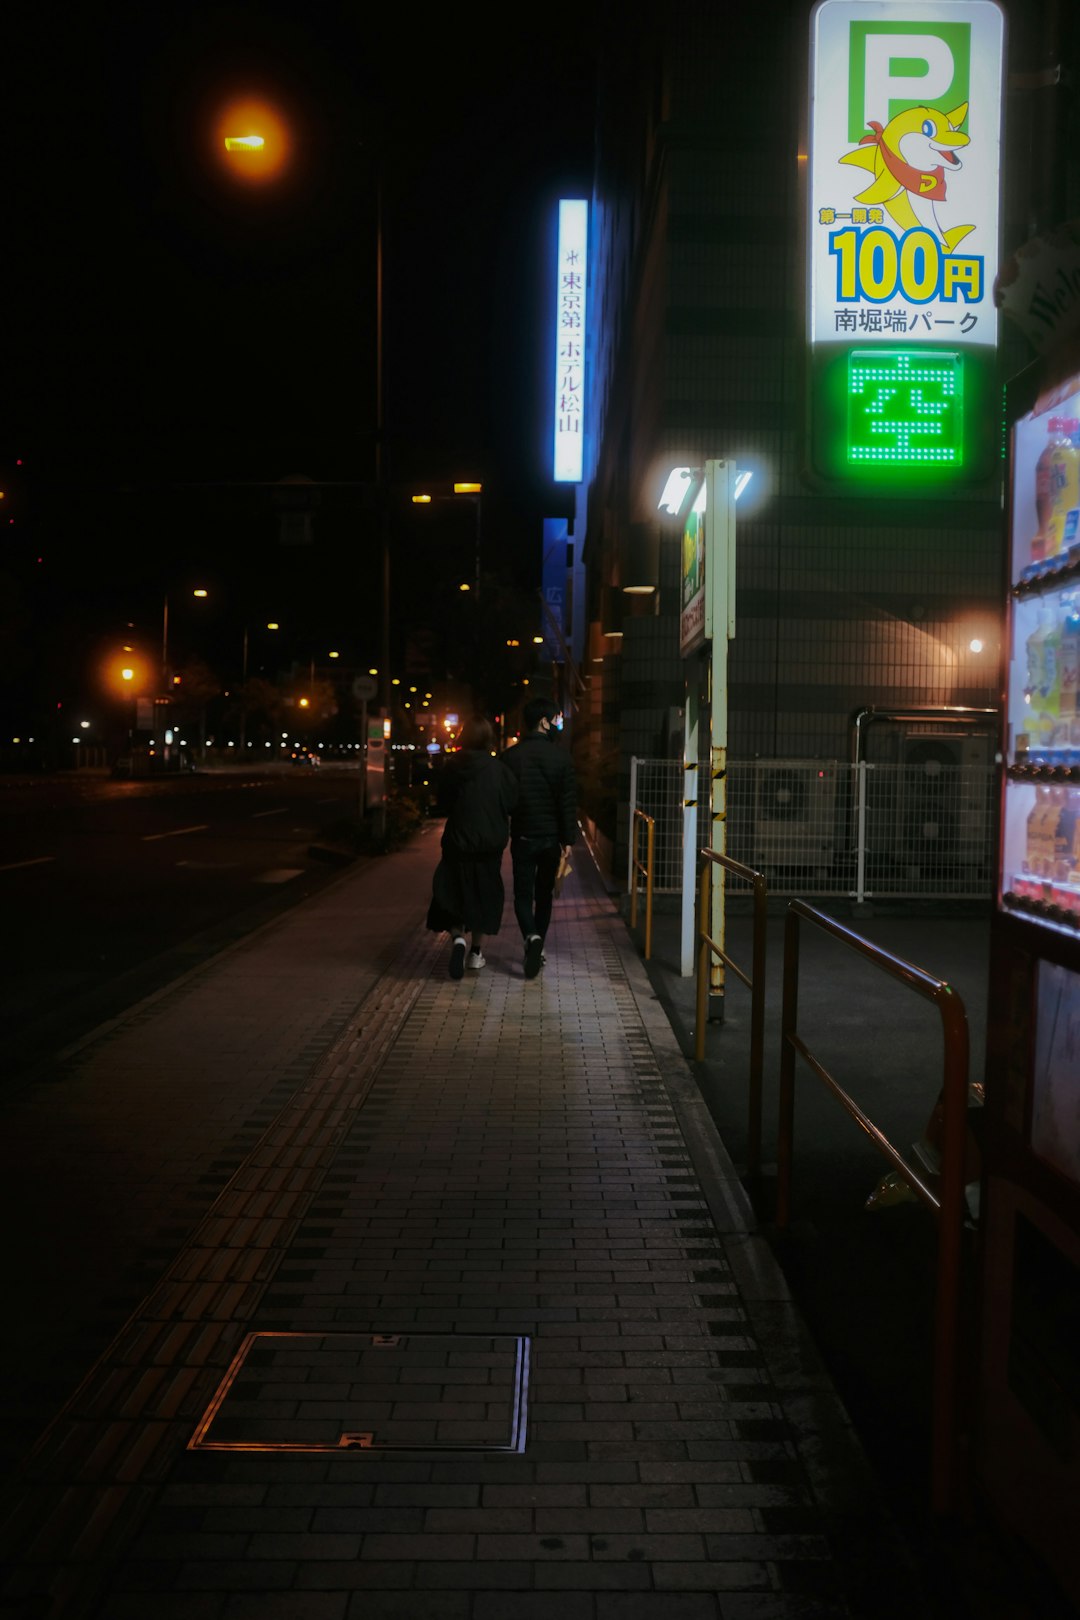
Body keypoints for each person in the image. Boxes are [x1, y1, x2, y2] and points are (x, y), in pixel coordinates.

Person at [426, 715, 518, 979]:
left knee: (454, 889)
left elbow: (442, 802)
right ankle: (476, 952)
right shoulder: (499, 769)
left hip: (458, 841)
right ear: (488, 739)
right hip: (489, 843)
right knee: (483, 894)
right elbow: (512, 802)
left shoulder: (452, 767)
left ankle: (457, 937)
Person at [503, 697, 578, 979]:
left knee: (522, 894)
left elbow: (506, 799)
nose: (558, 723)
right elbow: (567, 802)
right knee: (543, 894)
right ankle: (539, 944)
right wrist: (567, 840)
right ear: (543, 722)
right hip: (550, 839)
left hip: (522, 836)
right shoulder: (561, 758)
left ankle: (531, 938)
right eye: (555, 719)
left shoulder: (510, 757)